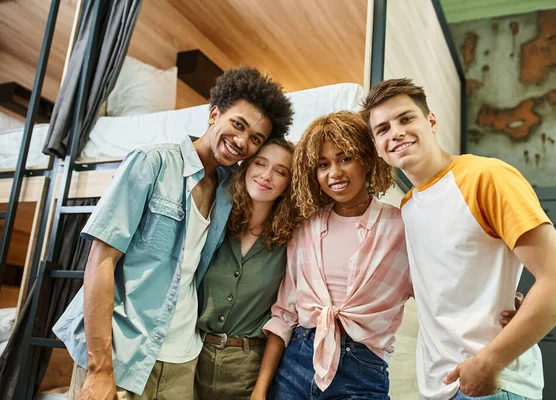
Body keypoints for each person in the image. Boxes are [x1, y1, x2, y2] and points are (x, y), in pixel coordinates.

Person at [53, 66, 293, 400]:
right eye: (238, 125)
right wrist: (99, 368)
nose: (242, 142)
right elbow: (101, 262)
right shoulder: (152, 163)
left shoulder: (227, 191)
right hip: (124, 353)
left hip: (183, 359)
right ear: (214, 114)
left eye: (255, 139)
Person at [361, 78, 556, 400]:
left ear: (432, 121)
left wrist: (489, 363)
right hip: (439, 388)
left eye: (406, 118)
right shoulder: (408, 206)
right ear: (378, 148)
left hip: (493, 385)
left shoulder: (486, 177)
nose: (395, 132)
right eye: (382, 129)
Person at [251, 111, 412, 400]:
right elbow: (285, 314)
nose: (334, 173)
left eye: (345, 158)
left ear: (366, 159)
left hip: (362, 371)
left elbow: (441, 292)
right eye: (323, 165)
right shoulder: (305, 229)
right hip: (294, 365)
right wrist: (260, 390)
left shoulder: (401, 227)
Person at [195, 138, 298, 398]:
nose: (266, 175)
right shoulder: (216, 225)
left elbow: (283, 319)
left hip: (249, 368)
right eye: (260, 164)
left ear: (288, 185)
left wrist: (260, 389)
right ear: (246, 168)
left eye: (280, 171)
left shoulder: (290, 243)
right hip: (193, 357)